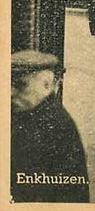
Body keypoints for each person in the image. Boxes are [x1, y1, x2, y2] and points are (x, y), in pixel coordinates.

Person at [11, 50, 90, 203]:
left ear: (46, 85)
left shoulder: (56, 126)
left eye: (21, 85)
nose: (11, 92)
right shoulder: (24, 114)